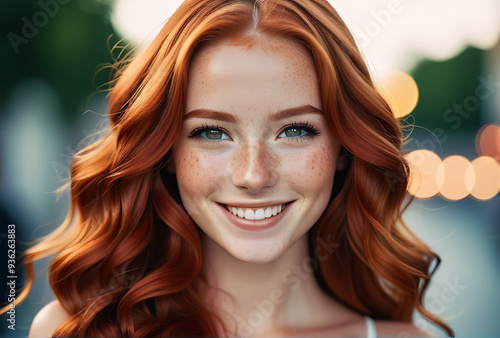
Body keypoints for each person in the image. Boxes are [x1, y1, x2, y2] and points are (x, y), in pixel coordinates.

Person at [10, 0, 453, 336]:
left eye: (295, 130)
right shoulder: (74, 330)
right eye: (212, 132)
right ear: (166, 151)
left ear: (343, 147)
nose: (254, 175)